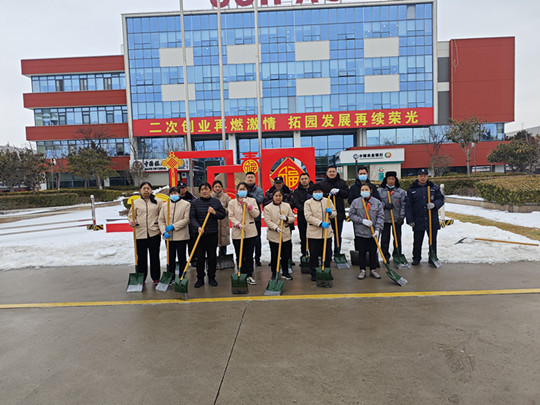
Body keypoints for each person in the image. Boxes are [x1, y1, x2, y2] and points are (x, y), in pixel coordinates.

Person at [405, 168, 445, 266]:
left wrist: (434, 204)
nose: (423, 178)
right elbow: (408, 206)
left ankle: (432, 257)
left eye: (425, 176)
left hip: (431, 218)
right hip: (418, 219)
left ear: (427, 177)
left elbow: (441, 199)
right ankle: (416, 258)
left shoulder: (433, 188)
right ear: (417, 177)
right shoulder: (412, 189)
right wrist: (410, 220)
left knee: (432, 240)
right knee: (417, 241)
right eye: (421, 176)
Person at [190, 183, 226, 287]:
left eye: (206, 189)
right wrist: (198, 227)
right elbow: (192, 217)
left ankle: (212, 277)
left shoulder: (215, 202)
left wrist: (214, 212)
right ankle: (200, 278)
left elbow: (222, 215)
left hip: (212, 234)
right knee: (200, 258)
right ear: (199, 191)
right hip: (199, 234)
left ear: (210, 190)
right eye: (202, 189)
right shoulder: (195, 203)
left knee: (212, 257)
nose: (204, 191)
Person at [128, 182, 163, 286]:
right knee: (141, 258)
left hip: (154, 232)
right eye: (144, 188)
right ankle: (141, 278)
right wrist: (132, 221)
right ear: (140, 190)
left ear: (151, 190)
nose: (146, 190)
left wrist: (161, 228)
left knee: (154, 257)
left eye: (148, 188)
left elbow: (162, 216)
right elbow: (131, 216)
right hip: (140, 233)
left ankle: (156, 278)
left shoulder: (158, 201)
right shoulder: (136, 202)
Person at [349, 184, 385, 280]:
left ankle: (373, 270)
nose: (364, 191)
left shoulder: (377, 203)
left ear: (370, 191)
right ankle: (362, 270)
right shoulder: (355, 202)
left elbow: (381, 217)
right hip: (360, 232)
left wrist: (377, 229)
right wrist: (362, 221)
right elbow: (351, 215)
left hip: (372, 233)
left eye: (366, 189)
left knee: (373, 252)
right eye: (362, 190)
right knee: (362, 252)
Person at [228, 182, 260, 285]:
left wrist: (249, 205)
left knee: (249, 255)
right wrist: (238, 224)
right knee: (240, 254)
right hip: (238, 232)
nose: (242, 191)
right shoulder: (232, 203)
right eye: (240, 189)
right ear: (237, 191)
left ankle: (249, 275)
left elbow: (256, 214)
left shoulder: (252, 200)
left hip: (250, 232)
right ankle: (241, 274)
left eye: (244, 189)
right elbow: (231, 216)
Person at [304, 183, 337, 281]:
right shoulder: (308, 203)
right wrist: (320, 223)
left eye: (319, 191)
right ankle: (314, 273)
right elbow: (308, 217)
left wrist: (330, 213)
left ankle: (326, 271)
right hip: (314, 233)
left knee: (326, 254)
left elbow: (334, 213)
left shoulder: (327, 201)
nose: (317, 193)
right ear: (312, 193)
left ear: (322, 192)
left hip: (326, 233)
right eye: (315, 192)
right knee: (314, 255)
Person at [158, 186, 191, 276]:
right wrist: (164, 231)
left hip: (181, 236)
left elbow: (187, 219)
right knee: (170, 257)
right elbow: (161, 220)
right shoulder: (165, 205)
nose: (173, 195)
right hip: (169, 237)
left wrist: (174, 226)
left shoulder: (186, 204)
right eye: (171, 193)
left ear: (179, 194)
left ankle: (182, 276)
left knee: (181, 257)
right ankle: (171, 276)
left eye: (175, 193)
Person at [264, 189, 295, 281]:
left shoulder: (287, 206)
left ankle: (285, 272)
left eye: (280, 196)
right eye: (276, 196)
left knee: (285, 255)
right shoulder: (268, 208)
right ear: (273, 196)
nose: (278, 198)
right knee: (275, 255)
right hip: (274, 235)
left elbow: (292, 218)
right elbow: (267, 220)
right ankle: (274, 273)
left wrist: (286, 218)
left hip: (285, 235)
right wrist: (275, 227)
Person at [319, 165, 348, 258]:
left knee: (338, 235)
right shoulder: (322, 184)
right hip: (326, 213)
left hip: (339, 213)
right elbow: (319, 195)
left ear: (336, 172)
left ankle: (337, 252)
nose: (332, 173)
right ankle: (328, 253)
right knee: (327, 235)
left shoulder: (342, 183)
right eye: (330, 171)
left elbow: (347, 194)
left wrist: (339, 191)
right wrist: (328, 194)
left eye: (333, 171)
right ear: (327, 173)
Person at [377, 171, 407, 262]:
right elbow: (377, 203)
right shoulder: (380, 191)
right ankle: (385, 255)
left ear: (395, 180)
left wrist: (401, 217)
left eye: (392, 179)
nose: (391, 181)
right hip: (385, 219)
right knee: (385, 239)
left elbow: (403, 205)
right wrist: (384, 205)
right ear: (386, 180)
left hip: (396, 219)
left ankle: (397, 254)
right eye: (389, 179)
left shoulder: (401, 192)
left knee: (397, 238)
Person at [291, 172, 314, 259]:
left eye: (306, 179)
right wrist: (305, 210)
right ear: (300, 180)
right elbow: (296, 202)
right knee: (303, 237)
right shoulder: (297, 191)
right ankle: (304, 254)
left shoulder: (314, 189)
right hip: (302, 217)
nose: (304, 180)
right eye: (302, 179)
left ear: (309, 179)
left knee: (313, 237)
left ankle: (314, 254)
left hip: (314, 217)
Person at [245, 171, 264, 267]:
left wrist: (250, 195)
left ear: (255, 179)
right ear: (245, 179)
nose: (250, 179)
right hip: (244, 218)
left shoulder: (259, 190)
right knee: (247, 239)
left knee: (257, 239)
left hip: (255, 218)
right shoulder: (242, 189)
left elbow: (260, 200)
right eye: (248, 177)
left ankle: (257, 258)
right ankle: (247, 258)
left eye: (252, 177)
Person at [211, 180, 231, 258]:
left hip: (223, 223)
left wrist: (222, 211)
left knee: (223, 243)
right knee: (212, 244)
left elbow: (230, 208)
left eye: (219, 186)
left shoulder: (226, 197)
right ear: (213, 188)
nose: (217, 188)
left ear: (222, 187)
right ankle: (213, 258)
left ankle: (223, 257)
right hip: (213, 223)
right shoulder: (210, 196)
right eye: (216, 186)